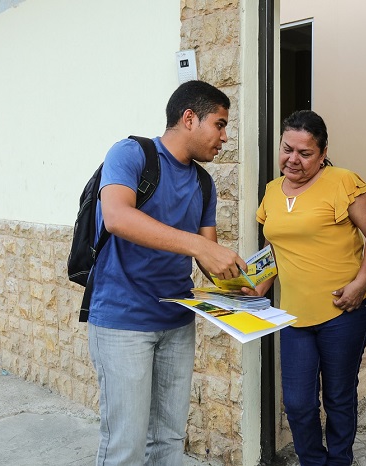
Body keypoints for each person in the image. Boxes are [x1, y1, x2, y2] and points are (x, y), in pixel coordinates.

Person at [87, 80, 247, 465]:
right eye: (220, 124)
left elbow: (210, 259)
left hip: (177, 322)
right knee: (125, 444)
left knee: (169, 441)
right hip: (123, 323)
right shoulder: (131, 153)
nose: (225, 137)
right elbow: (117, 216)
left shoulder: (204, 184)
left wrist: (243, 285)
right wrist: (199, 246)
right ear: (189, 118)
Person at [245, 110, 366, 465]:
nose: (293, 159)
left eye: (305, 153)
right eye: (287, 149)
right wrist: (259, 286)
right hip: (293, 315)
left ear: (323, 153)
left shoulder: (343, 181)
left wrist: (361, 283)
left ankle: (339, 460)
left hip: (344, 310)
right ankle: (312, 460)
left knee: (338, 396)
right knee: (296, 400)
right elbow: (275, 247)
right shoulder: (272, 192)